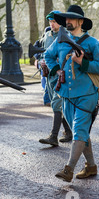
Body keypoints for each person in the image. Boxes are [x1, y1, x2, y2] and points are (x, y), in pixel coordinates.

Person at [44, 5, 99, 182]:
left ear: (81, 22)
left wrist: (83, 63)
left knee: (79, 130)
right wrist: (56, 69)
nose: (68, 21)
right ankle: (91, 166)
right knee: (79, 132)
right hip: (66, 94)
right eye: (66, 19)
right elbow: (48, 56)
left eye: (71, 18)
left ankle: (68, 169)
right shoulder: (60, 40)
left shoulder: (93, 43)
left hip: (87, 94)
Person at [38, 10, 73, 146]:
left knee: (56, 103)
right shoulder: (47, 36)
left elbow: (68, 57)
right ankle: (69, 132)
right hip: (49, 75)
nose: (52, 24)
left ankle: (53, 136)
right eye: (50, 21)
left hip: (61, 75)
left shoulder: (68, 36)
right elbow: (44, 53)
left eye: (54, 21)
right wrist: (41, 61)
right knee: (58, 105)